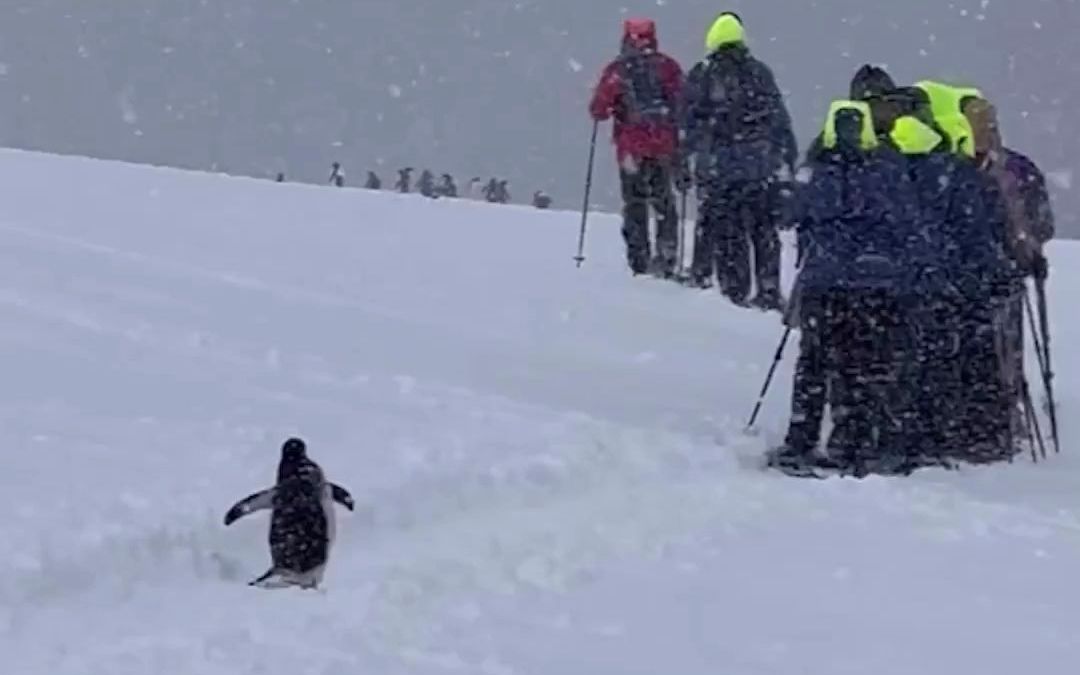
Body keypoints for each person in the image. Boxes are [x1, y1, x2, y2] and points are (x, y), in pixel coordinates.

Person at [769, 100, 920, 476]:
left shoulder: (816, 170)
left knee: (815, 364)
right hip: (875, 284)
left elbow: (789, 214)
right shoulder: (887, 169)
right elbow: (906, 221)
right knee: (865, 364)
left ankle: (801, 441)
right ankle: (857, 443)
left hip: (825, 282)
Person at [682, 12, 796, 308]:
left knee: (727, 231)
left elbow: (688, 121)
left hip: (719, 169)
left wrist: (682, 158)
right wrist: (787, 158)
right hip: (760, 168)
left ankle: (735, 291)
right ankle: (768, 289)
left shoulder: (703, 73)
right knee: (764, 230)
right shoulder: (759, 72)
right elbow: (779, 119)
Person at [589, 18, 685, 277]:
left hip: (631, 149)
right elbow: (682, 106)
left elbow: (599, 110)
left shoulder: (618, 70)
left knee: (634, 204)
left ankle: (639, 259)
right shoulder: (668, 67)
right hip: (662, 146)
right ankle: (666, 257)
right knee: (664, 203)